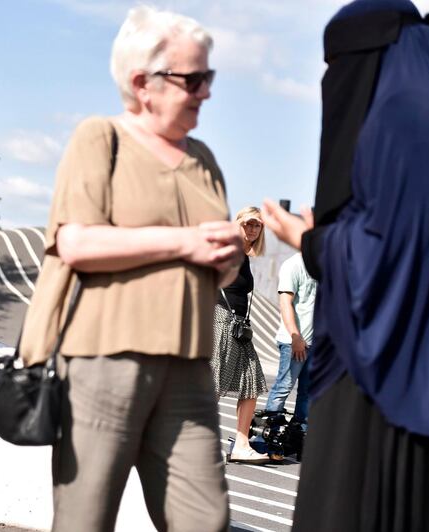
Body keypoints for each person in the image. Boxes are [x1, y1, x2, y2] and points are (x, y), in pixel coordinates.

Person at [261, 1, 429, 530]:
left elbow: (390, 260)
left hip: (400, 404)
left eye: (338, 66)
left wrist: (313, 241)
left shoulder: (407, 121)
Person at [19, 6, 243, 531]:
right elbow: (75, 242)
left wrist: (228, 260)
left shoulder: (205, 158)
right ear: (143, 82)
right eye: (193, 79)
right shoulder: (101, 138)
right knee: (85, 520)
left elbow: (218, 272)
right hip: (104, 363)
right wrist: (185, 243)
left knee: (206, 520)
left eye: (207, 77)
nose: (205, 91)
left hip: (190, 368)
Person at [210, 206, 268, 464]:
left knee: (251, 381)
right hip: (222, 320)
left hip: (238, 326)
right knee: (214, 383)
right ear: (238, 224)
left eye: (257, 225)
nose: (253, 229)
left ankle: (241, 445)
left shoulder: (244, 256)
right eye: (248, 224)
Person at [262, 252, 315, 426]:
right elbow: (285, 303)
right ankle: (267, 439)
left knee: (307, 392)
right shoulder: (293, 264)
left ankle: (299, 437)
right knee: (283, 388)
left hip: (316, 343)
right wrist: (295, 336)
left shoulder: (323, 266)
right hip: (294, 342)